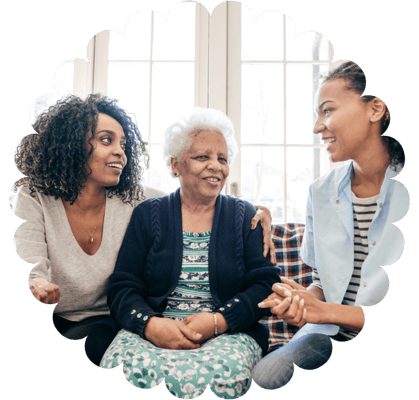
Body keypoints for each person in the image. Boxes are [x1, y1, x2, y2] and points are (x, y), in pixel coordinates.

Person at [11, 95, 274, 367]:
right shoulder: (33, 196)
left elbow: (191, 198)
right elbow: (29, 258)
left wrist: (256, 211)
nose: (120, 151)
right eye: (106, 140)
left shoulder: (131, 197)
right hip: (50, 314)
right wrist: (36, 283)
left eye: (123, 144)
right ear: (71, 144)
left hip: (103, 319)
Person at [99, 108, 281, 399]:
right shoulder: (148, 215)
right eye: (202, 157)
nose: (216, 166)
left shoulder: (245, 215)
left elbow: (265, 286)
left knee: (220, 375)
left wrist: (218, 321)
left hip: (227, 333)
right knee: (121, 369)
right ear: (175, 165)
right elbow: (123, 286)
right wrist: (150, 325)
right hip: (156, 329)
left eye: (222, 159)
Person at [252, 60, 409, 389]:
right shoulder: (320, 192)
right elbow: (322, 284)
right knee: (266, 377)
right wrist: (304, 304)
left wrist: (324, 312)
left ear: (375, 108)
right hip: (328, 332)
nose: (317, 127)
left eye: (328, 110)